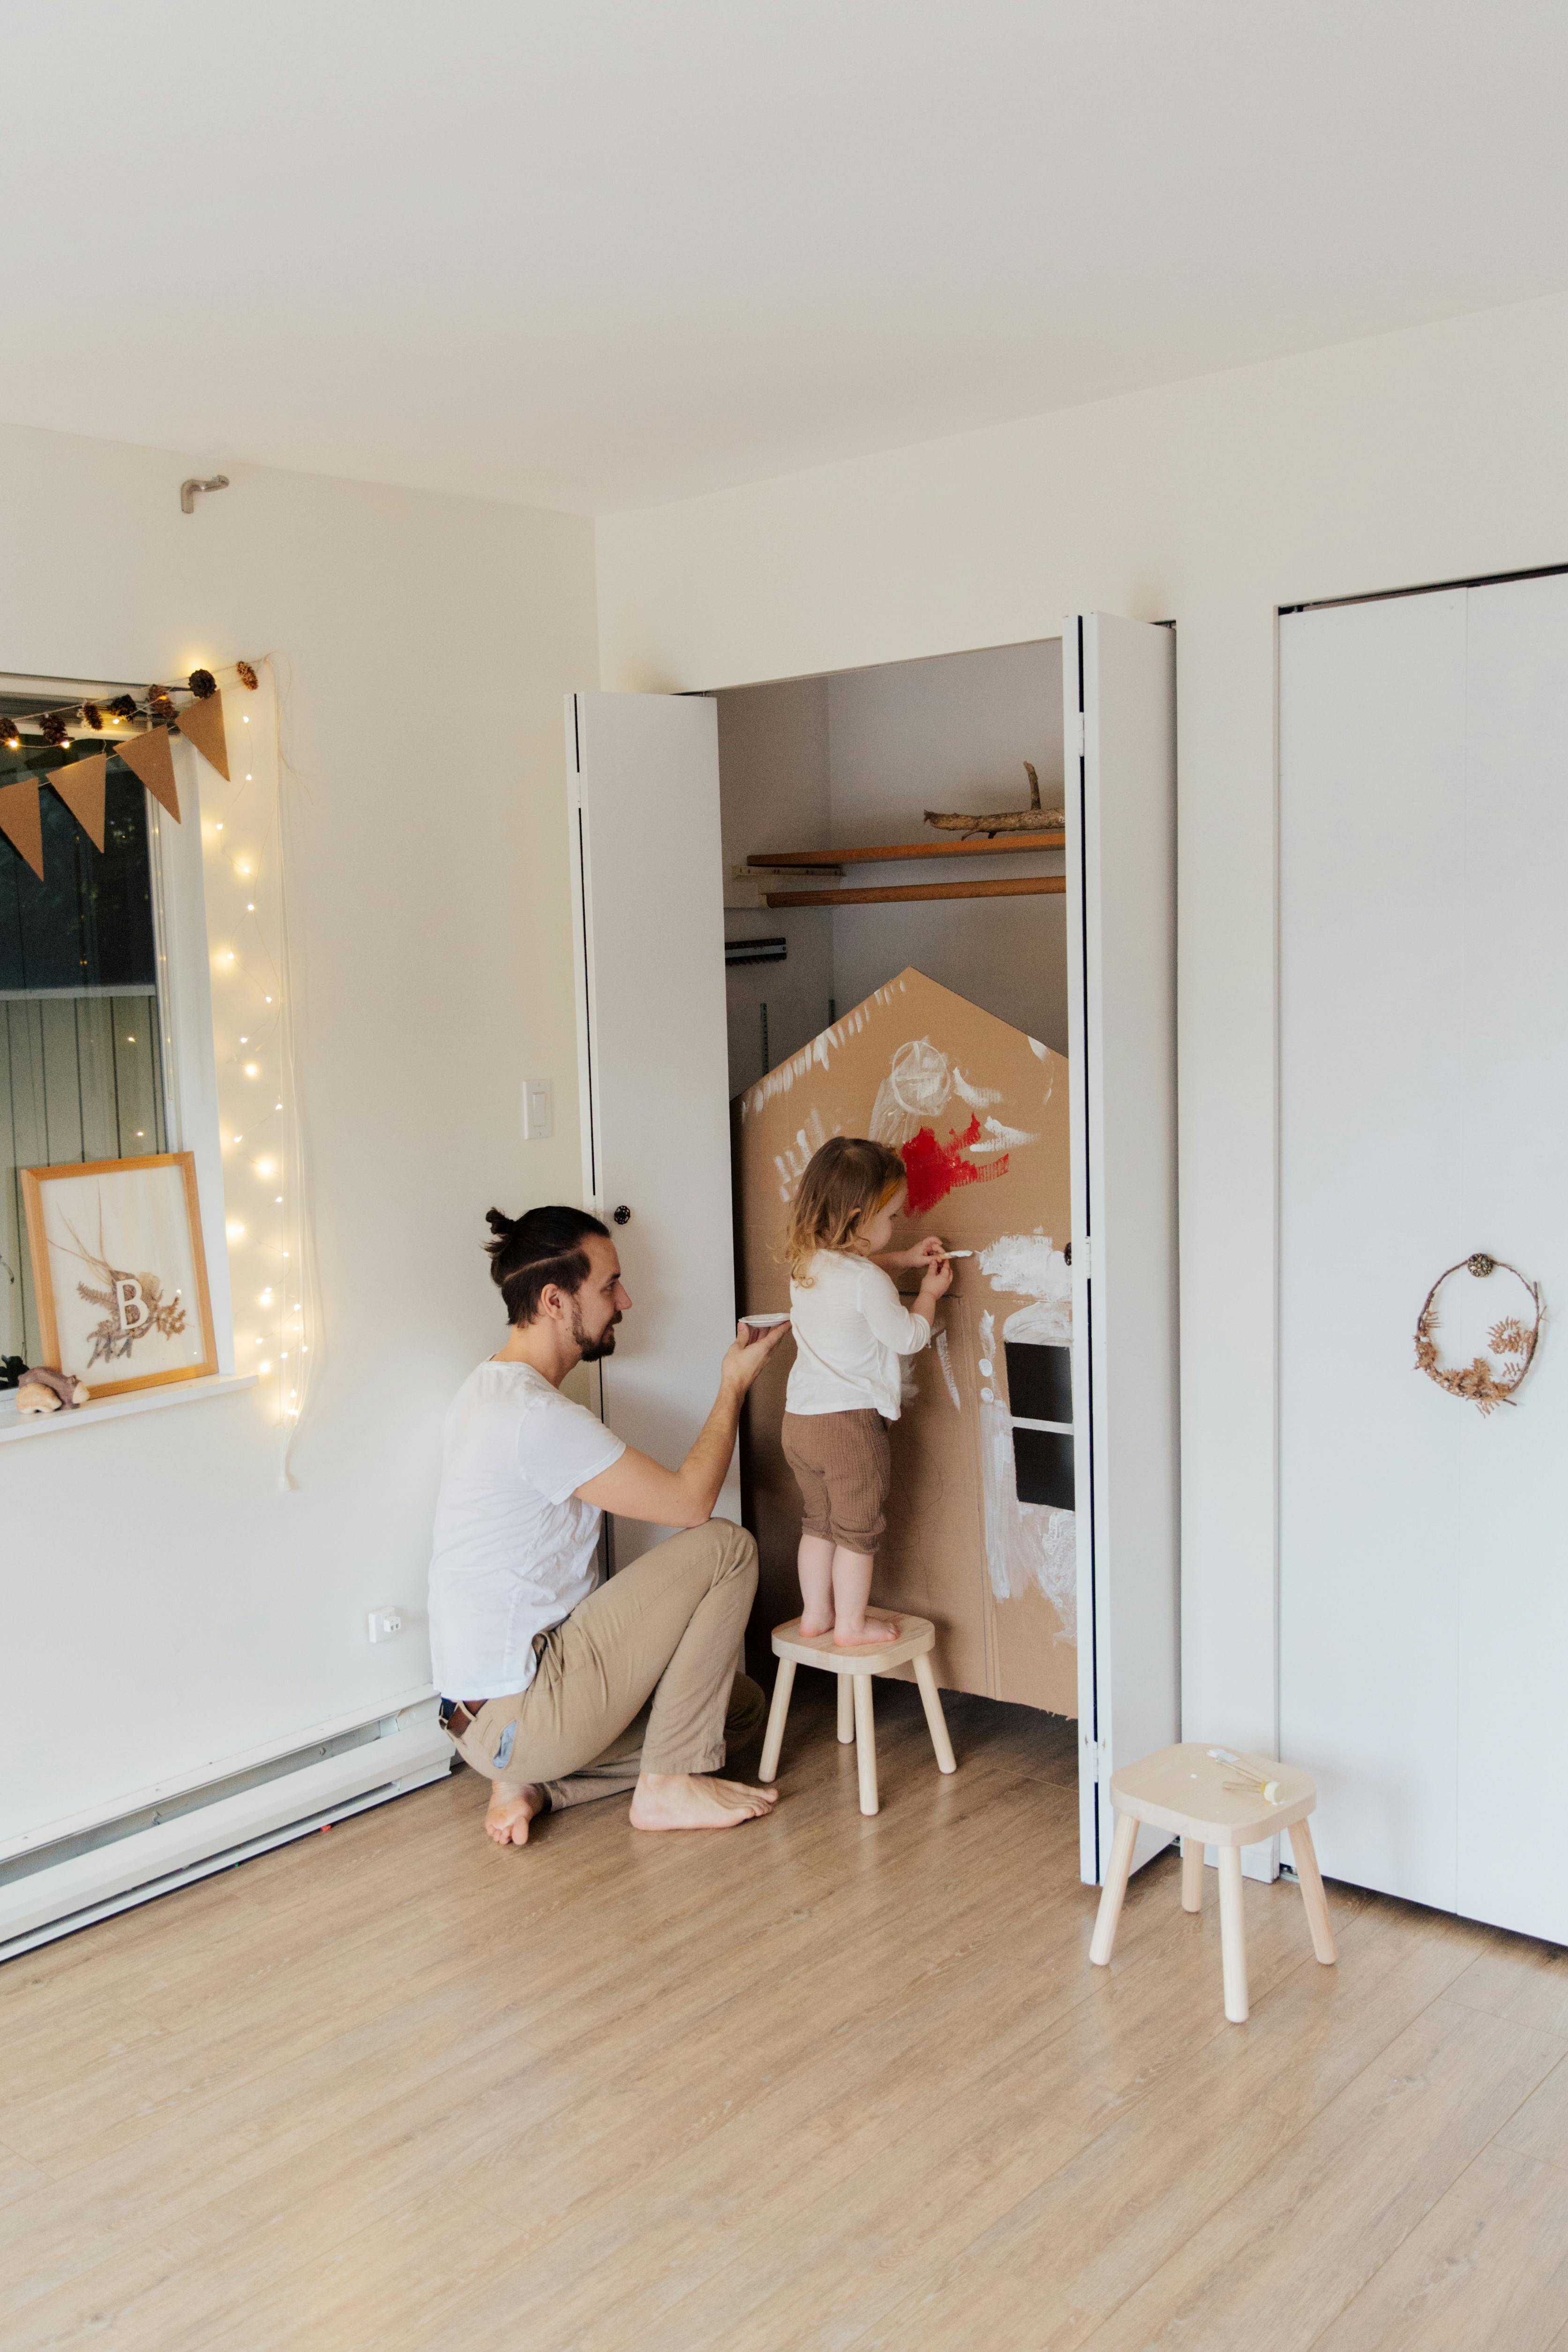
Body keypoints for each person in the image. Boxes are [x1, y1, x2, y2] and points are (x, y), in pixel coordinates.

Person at [428, 1204, 789, 1847]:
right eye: (607, 1284)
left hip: (485, 1725)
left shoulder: (486, 1391)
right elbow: (688, 1505)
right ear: (553, 1300)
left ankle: (538, 1784)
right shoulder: (535, 1417)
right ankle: (667, 1783)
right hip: (525, 1704)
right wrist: (733, 1383)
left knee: (738, 1710)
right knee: (727, 1547)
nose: (624, 1298)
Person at [780, 1138, 952, 1647]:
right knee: (856, 1533)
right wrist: (927, 1295)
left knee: (818, 1525)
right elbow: (907, 1337)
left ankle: (816, 1615)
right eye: (893, 1217)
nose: (896, 1225)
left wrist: (900, 1257)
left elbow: (857, 1277)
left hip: (800, 1422)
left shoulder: (806, 1264)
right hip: (849, 1427)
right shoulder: (866, 1282)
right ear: (859, 1218)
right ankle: (851, 1626)